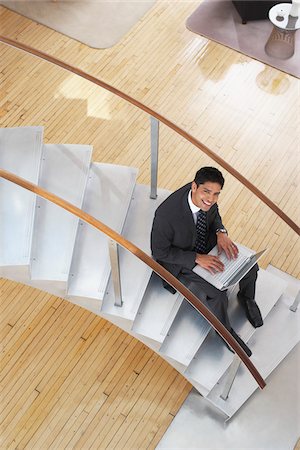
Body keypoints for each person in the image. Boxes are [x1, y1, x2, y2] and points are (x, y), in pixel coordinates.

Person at [151, 166, 263, 356]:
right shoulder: (166, 215)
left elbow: (214, 213)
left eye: (216, 194)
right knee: (218, 293)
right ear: (194, 187)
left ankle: (247, 298)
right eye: (207, 192)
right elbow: (159, 251)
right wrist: (196, 258)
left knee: (250, 267)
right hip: (184, 256)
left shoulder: (206, 199)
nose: (211, 199)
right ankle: (224, 331)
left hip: (206, 241)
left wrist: (221, 232)